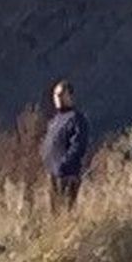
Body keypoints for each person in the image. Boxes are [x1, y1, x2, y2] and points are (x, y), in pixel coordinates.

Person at [39, 80, 89, 212]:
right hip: (52, 173)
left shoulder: (77, 119)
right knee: (54, 212)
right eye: (55, 95)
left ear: (70, 96)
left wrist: (64, 165)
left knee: (66, 211)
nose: (57, 98)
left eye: (61, 94)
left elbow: (78, 146)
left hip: (67, 174)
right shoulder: (55, 120)